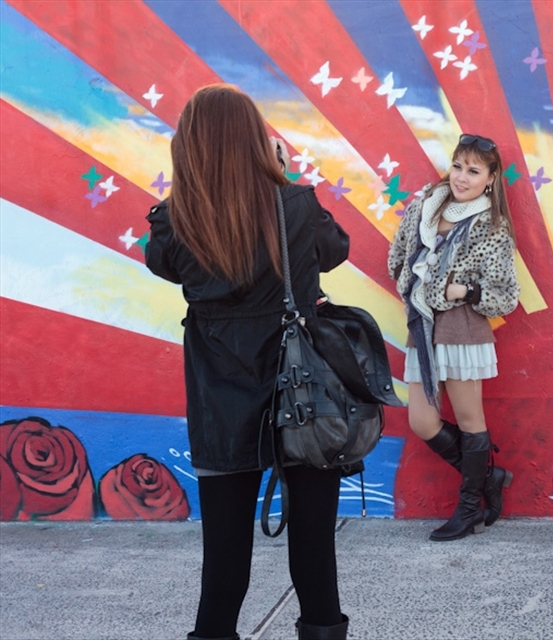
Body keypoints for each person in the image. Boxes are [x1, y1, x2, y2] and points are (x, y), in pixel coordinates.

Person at [145, 84, 351, 640]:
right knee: (314, 552)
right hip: (303, 396)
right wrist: (280, 181)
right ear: (256, 141)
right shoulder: (297, 205)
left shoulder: (174, 221)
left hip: (219, 402)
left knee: (224, 561)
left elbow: (164, 264)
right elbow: (336, 251)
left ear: (189, 148)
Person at [388, 133, 520, 542]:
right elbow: (397, 259)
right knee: (422, 420)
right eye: (458, 166)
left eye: (474, 170)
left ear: (491, 178)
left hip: (462, 327)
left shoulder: (491, 227)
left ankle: (468, 512)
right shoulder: (423, 208)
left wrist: (463, 292)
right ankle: (488, 478)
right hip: (422, 326)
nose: (462, 177)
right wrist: (415, 289)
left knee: (468, 420)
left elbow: (506, 295)